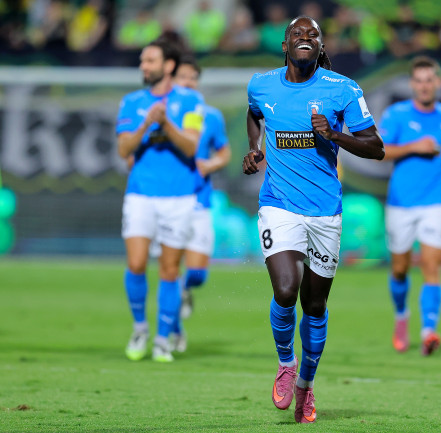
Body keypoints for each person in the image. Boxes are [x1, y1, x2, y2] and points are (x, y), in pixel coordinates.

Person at [242, 16, 384, 423]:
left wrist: (334, 136)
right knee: (286, 289)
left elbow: (376, 148)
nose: (305, 38)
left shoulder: (343, 89)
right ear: (285, 45)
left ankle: (306, 384)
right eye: (297, 34)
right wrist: (254, 147)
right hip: (279, 204)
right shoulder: (261, 85)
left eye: (313, 35)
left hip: (325, 212)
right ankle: (286, 363)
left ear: (321, 47)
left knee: (315, 304)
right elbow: (254, 113)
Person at [116, 39, 204, 362]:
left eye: (150, 60)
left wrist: (165, 123)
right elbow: (124, 149)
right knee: (136, 264)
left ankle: (163, 338)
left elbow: (191, 147)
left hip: (179, 197)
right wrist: (146, 123)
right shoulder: (131, 102)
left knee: (169, 270)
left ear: (168, 65)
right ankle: (140, 327)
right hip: (140, 194)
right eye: (142, 60)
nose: (143, 66)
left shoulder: (192, 101)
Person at [379, 56, 441, 356]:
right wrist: (415, 146)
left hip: (437, 201)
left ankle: (429, 331)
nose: (425, 86)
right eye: (419, 81)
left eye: (430, 80)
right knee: (400, 269)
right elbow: (380, 150)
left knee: (432, 265)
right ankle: (401, 316)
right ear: (412, 84)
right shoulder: (397, 114)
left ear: (437, 83)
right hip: (401, 203)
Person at [170, 56, 232, 346]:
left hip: (199, 201)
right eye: (183, 77)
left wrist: (211, 164)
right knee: (169, 270)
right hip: (168, 201)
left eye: (193, 78)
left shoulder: (211, 116)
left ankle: (185, 290)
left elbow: (224, 152)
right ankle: (172, 331)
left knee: (196, 273)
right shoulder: (162, 114)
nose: (189, 82)